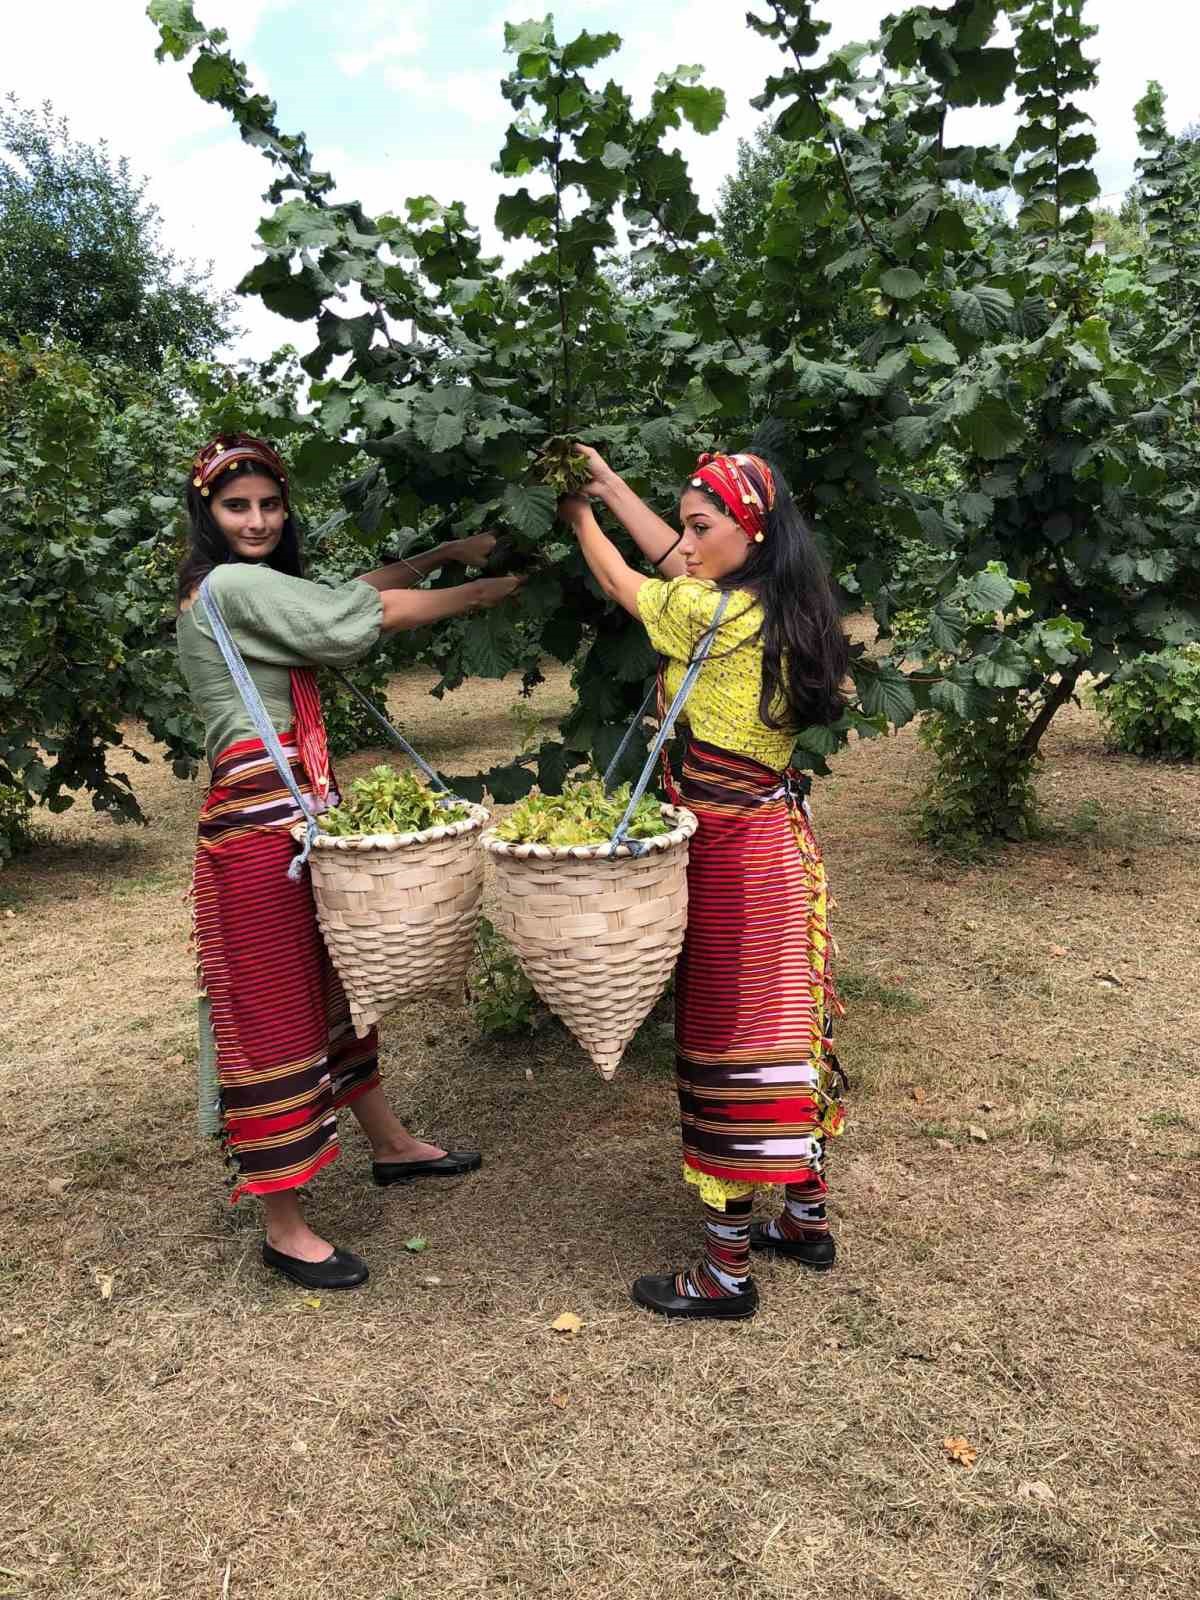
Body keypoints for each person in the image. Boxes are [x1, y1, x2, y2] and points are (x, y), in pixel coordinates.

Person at [177, 433, 521, 1291]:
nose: (256, 520)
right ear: (207, 516)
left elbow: (341, 594)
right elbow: (357, 620)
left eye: (268, 504)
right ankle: (282, 1222)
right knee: (271, 1017)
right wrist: (481, 591)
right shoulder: (228, 583)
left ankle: (391, 1145)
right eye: (235, 506)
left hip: (293, 820)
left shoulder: (258, 587)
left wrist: (437, 554)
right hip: (259, 835)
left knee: (338, 990)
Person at [558, 443, 850, 1321]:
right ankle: (803, 1219)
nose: (684, 540)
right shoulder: (774, 601)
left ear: (747, 530)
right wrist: (608, 481)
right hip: (778, 844)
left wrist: (575, 515)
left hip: (729, 859)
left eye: (700, 525)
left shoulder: (712, 616)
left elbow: (625, 579)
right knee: (788, 1033)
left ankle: (724, 1274)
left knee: (727, 1045)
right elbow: (671, 558)